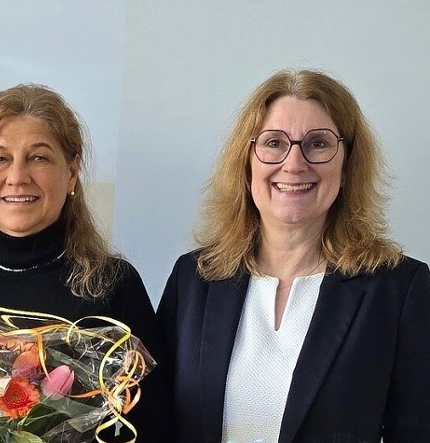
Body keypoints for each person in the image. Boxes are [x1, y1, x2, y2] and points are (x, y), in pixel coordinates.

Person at [157, 69, 430, 442]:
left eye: (318, 143)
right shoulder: (193, 279)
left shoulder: (399, 289)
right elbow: (157, 422)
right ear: (247, 162)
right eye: (274, 143)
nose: (294, 164)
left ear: (348, 166)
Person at [0, 84, 162, 441]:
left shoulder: (113, 287)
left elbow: (155, 425)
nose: (17, 176)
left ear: (71, 173)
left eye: (39, 157)